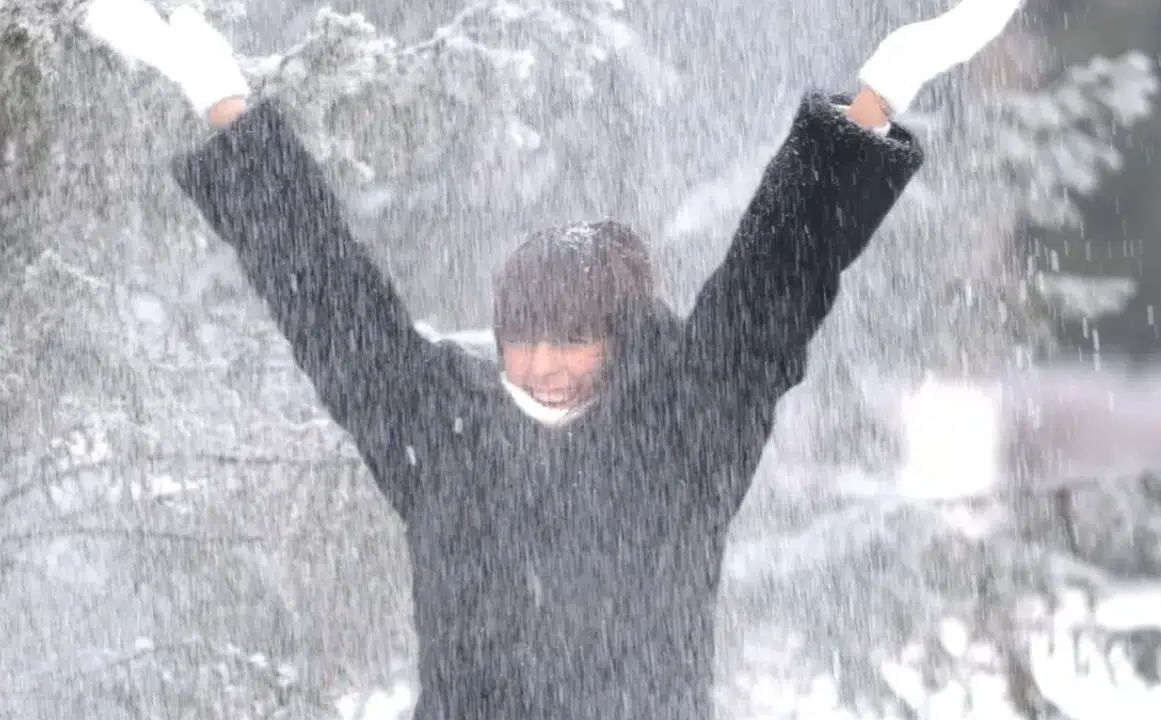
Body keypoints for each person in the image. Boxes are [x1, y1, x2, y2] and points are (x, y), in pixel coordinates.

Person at [83, 0, 1022, 717]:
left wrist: (889, 80)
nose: (541, 365)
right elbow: (323, 290)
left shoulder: (687, 424)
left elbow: (781, 268)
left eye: (571, 338)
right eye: (522, 337)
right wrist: (215, 89)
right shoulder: (440, 425)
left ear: (617, 338)